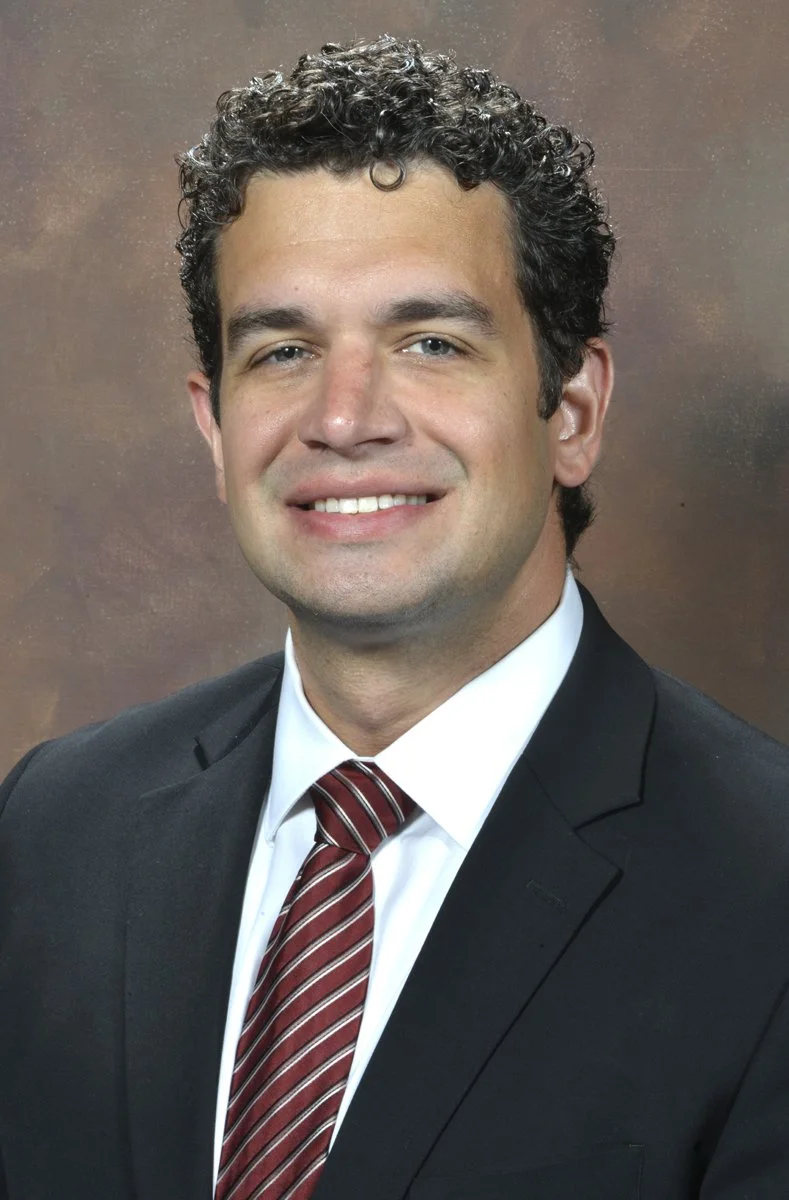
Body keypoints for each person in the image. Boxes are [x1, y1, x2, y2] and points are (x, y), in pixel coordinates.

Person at [1, 34, 789, 1200]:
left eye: (430, 342)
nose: (344, 417)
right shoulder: (54, 829)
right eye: (283, 349)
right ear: (215, 428)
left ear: (570, 409)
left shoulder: (766, 886)